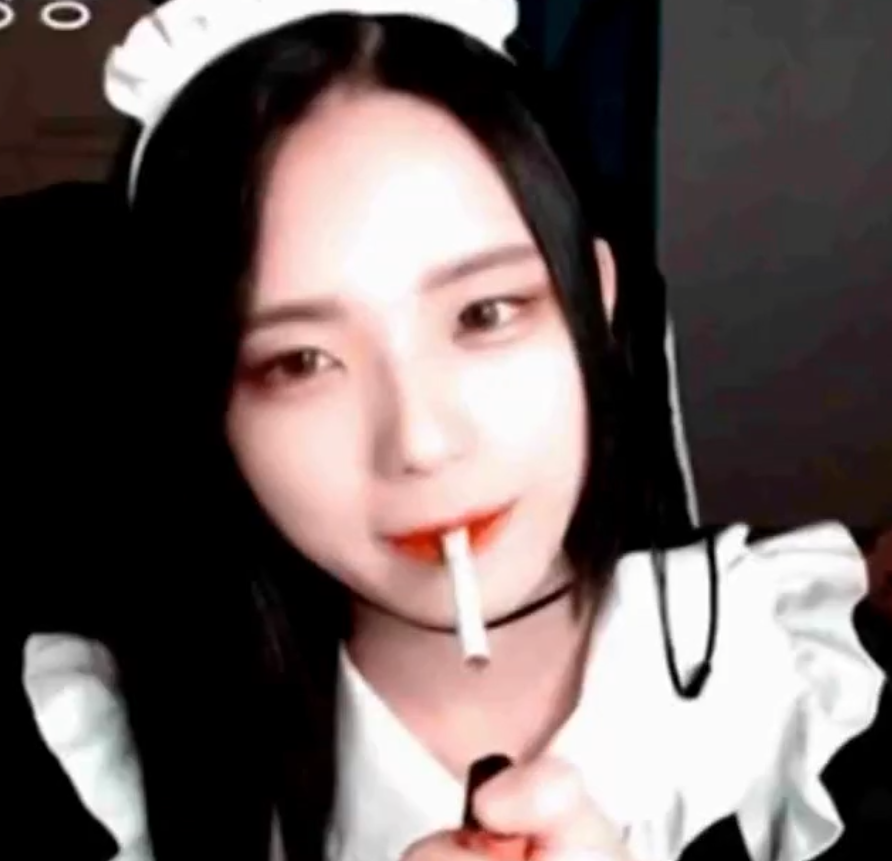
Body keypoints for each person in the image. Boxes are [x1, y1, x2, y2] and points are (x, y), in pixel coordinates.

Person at [20, 1, 886, 861]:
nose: (423, 442)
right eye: (301, 361)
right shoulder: (90, 770)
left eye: (485, 313)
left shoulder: (809, 682)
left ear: (595, 300)